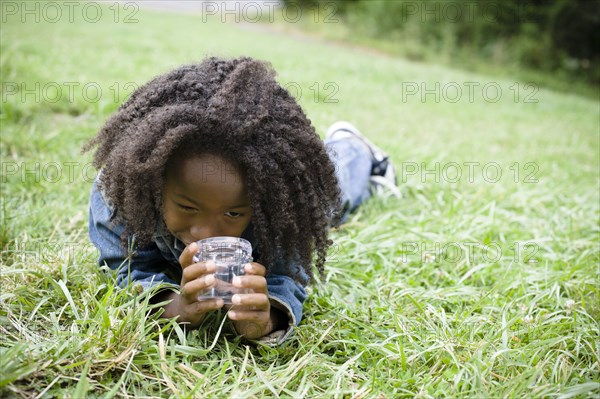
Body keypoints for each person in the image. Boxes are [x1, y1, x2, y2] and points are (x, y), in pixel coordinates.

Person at [84, 56, 398, 345]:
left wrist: (266, 319)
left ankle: (352, 146)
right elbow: (126, 271)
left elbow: (287, 278)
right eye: (187, 207)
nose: (208, 232)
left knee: (334, 194)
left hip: (294, 193)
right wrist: (174, 308)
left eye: (234, 212)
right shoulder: (121, 194)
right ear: (155, 184)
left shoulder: (283, 208)